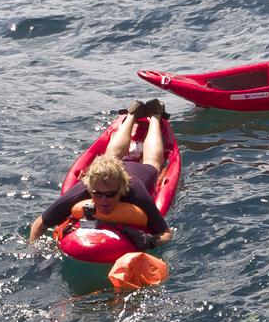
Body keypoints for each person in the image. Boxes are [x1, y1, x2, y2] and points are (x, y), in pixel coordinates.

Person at [27, 100, 173, 250]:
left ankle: (155, 115)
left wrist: (152, 242)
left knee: (153, 163)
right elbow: (39, 224)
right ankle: (132, 114)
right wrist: (36, 253)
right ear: (90, 188)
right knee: (110, 157)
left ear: (122, 188)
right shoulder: (86, 186)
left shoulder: (135, 190)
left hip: (140, 172)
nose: (103, 200)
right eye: (97, 194)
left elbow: (166, 233)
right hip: (111, 167)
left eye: (110, 194)